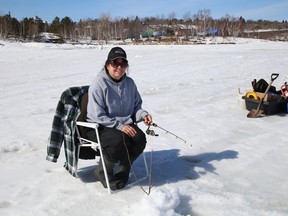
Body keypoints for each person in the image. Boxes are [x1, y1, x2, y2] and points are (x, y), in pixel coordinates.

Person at [86, 47, 153, 190]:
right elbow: (96, 114)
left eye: (123, 64)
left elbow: (136, 107)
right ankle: (102, 172)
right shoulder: (99, 83)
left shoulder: (130, 83)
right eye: (115, 63)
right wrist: (120, 126)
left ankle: (123, 169)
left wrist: (143, 115)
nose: (119, 68)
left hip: (123, 124)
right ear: (107, 65)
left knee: (140, 139)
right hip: (100, 124)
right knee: (118, 140)